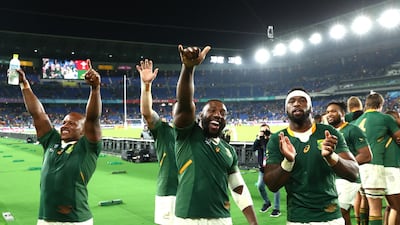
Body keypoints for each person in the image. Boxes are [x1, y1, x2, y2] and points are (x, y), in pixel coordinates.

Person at [173, 44, 258, 225]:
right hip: (186, 218)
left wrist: (253, 222)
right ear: (200, 116)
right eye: (212, 110)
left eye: (223, 113)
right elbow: (185, 102)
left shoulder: (228, 151)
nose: (218, 114)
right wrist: (188, 68)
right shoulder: (187, 134)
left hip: (222, 219)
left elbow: (238, 187)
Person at [17, 59, 102, 225]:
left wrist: (95, 89)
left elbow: (92, 118)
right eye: (63, 122)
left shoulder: (87, 147)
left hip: (76, 220)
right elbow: (38, 114)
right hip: (46, 218)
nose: (64, 125)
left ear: (83, 131)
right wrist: (24, 85)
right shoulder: (52, 141)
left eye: (71, 123)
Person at [264, 87, 359, 225]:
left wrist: (332, 157)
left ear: (311, 108)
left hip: (331, 217)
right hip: (298, 219)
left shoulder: (328, 132)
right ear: (285, 110)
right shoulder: (278, 139)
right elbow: (272, 185)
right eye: (292, 101)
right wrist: (288, 161)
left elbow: (354, 173)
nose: (297, 104)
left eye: (302, 100)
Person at [137, 58, 178, 225]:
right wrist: (146, 86)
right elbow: (147, 112)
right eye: (179, 109)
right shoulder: (163, 131)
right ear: (174, 115)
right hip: (168, 193)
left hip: (192, 193)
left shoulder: (198, 136)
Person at [353, 92, 400, 225]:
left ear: (366, 105)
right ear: (380, 105)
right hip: (376, 164)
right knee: (378, 208)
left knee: (366, 201)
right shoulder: (385, 118)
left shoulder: (357, 122)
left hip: (361, 166)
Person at [325, 101, 372, 225]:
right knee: (338, 215)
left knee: (339, 212)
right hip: (330, 179)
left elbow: (366, 155)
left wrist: (343, 165)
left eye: (334, 111)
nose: (330, 114)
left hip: (348, 179)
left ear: (343, 113)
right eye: (328, 112)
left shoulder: (352, 129)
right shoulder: (326, 132)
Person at [252, 123, 281, 217]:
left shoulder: (273, 139)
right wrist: (258, 138)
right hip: (263, 169)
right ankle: (267, 202)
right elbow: (253, 148)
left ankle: (276, 209)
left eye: (265, 130)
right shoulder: (259, 140)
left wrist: (269, 137)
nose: (264, 132)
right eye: (262, 130)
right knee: (260, 186)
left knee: (275, 188)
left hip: (273, 167)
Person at [382, 110, 400, 225]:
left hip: (384, 169)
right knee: (397, 207)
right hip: (392, 170)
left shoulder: (383, 136)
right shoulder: (395, 137)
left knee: (391, 205)